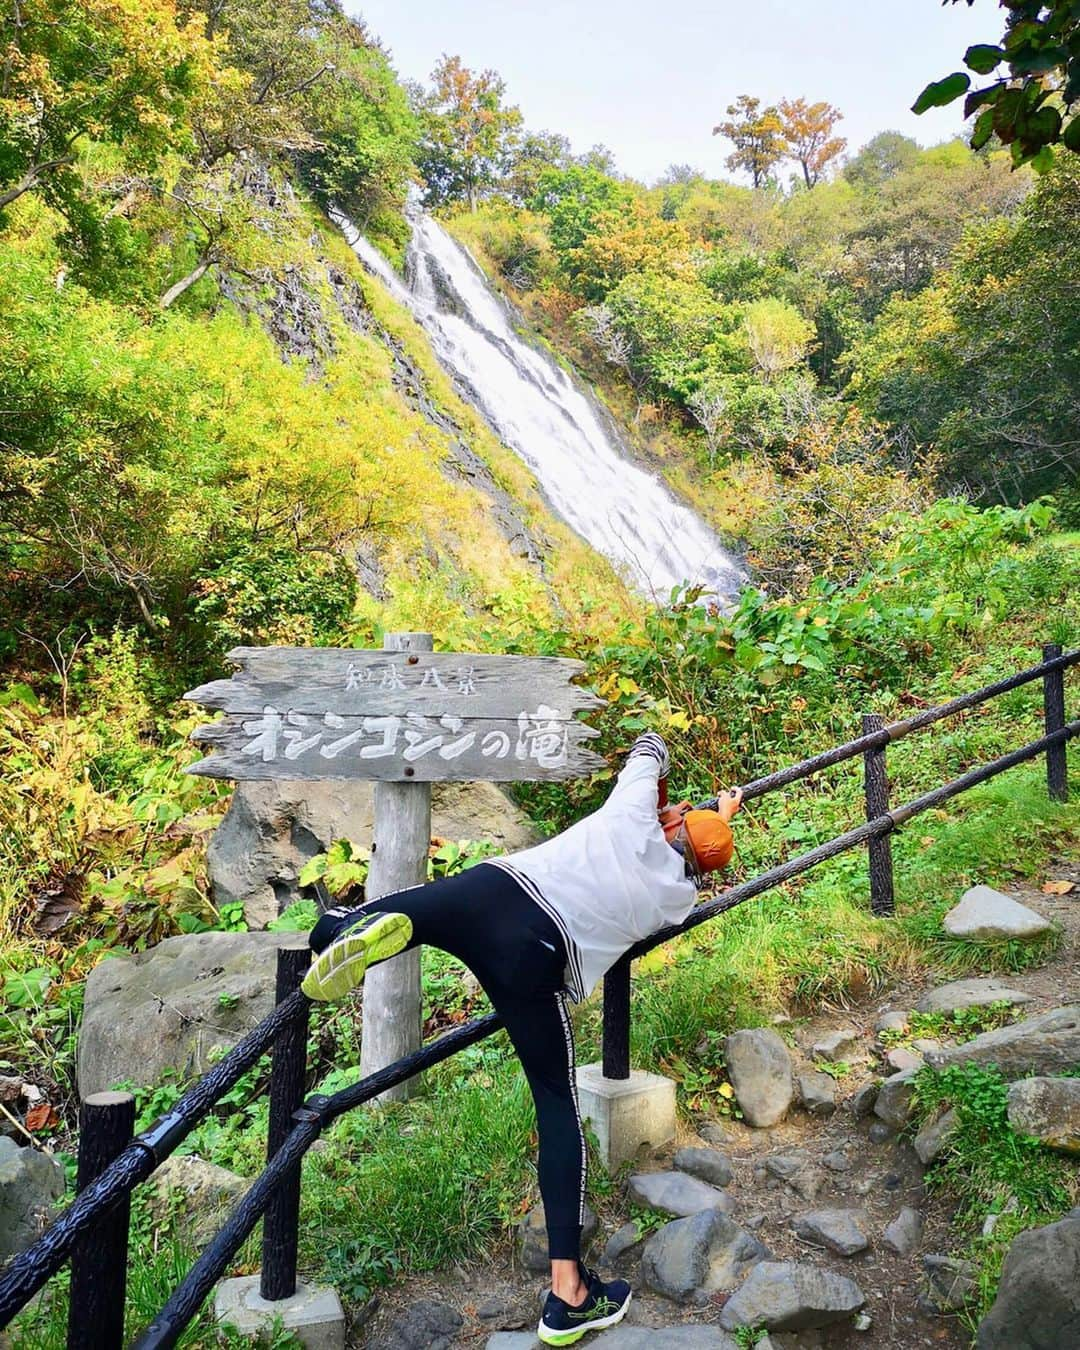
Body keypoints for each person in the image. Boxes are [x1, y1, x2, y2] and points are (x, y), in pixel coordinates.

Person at [303, 732, 742, 1346]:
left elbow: (651, 745)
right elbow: (693, 849)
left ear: (670, 823)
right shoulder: (676, 899)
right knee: (555, 1102)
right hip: (535, 957)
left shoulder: (629, 812)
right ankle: (569, 1292)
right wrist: (716, 822)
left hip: (494, 890)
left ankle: (343, 928)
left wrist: (675, 800)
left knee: (423, 907)